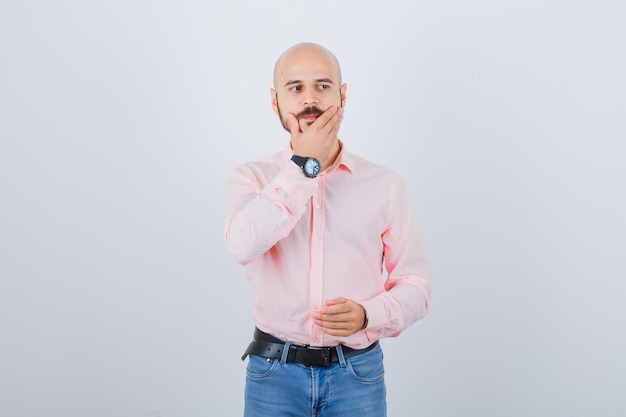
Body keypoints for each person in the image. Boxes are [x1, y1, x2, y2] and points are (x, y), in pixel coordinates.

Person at [224, 42, 432, 417]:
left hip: (357, 374)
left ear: (343, 95)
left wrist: (370, 315)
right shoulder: (251, 178)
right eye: (296, 87)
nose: (310, 100)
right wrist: (304, 165)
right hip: (274, 374)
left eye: (322, 86)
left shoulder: (384, 184)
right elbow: (242, 245)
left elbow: (416, 284)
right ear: (275, 102)